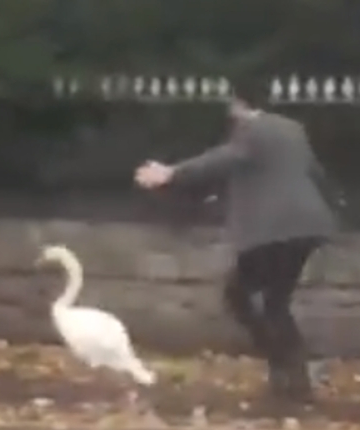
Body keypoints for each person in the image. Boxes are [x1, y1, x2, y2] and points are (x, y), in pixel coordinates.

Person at [134, 86, 343, 402]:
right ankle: (293, 375)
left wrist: (171, 173)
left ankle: (286, 366)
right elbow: (313, 172)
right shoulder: (293, 129)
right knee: (275, 302)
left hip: (272, 230)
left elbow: (222, 159)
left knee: (237, 295)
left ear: (237, 104)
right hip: (308, 226)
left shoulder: (251, 129)